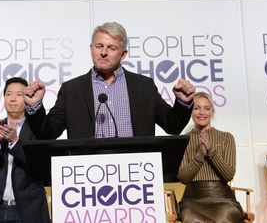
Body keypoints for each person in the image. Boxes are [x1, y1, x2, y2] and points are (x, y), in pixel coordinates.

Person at [23, 21, 195, 139]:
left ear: (123, 54)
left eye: (111, 48)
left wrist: (183, 103)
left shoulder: (143, 86)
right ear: (91, 49)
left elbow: (173, 126)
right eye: (99, 46)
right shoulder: (72, 89)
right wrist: (34, 106)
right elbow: (48, 132)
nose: (103, 52)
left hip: (136, 170)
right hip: (87, 172)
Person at [0, 77, 50, 223]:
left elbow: (42, 170)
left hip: (28, 211)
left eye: (19, 94)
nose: (12, 99)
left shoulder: (37, 130)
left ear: (28, 97)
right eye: (8, 94)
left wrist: (15, 142)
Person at [177, 92, 244, 223]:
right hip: (192, 200)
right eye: (196, 108)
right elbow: (183, 178)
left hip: (223, 199)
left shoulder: (226, 137)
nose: (202, 112)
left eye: (206, 108)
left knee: (223, 217)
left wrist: (211, 151)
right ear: (191, 112)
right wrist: (200, 155)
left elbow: (228, 175)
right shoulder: (183, 141)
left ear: (212, 112)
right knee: (190, 217)